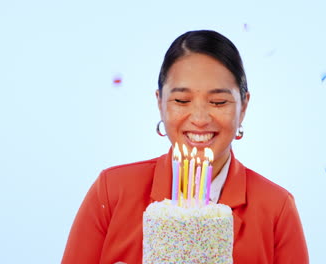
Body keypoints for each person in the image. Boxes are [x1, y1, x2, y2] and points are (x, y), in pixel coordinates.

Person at [62, 30, 309, 264]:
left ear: (243, 106)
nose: (200, 118)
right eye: (182, 100)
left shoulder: (276, 208)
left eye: (218, 101)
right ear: (160, 102)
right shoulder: (112, 191)